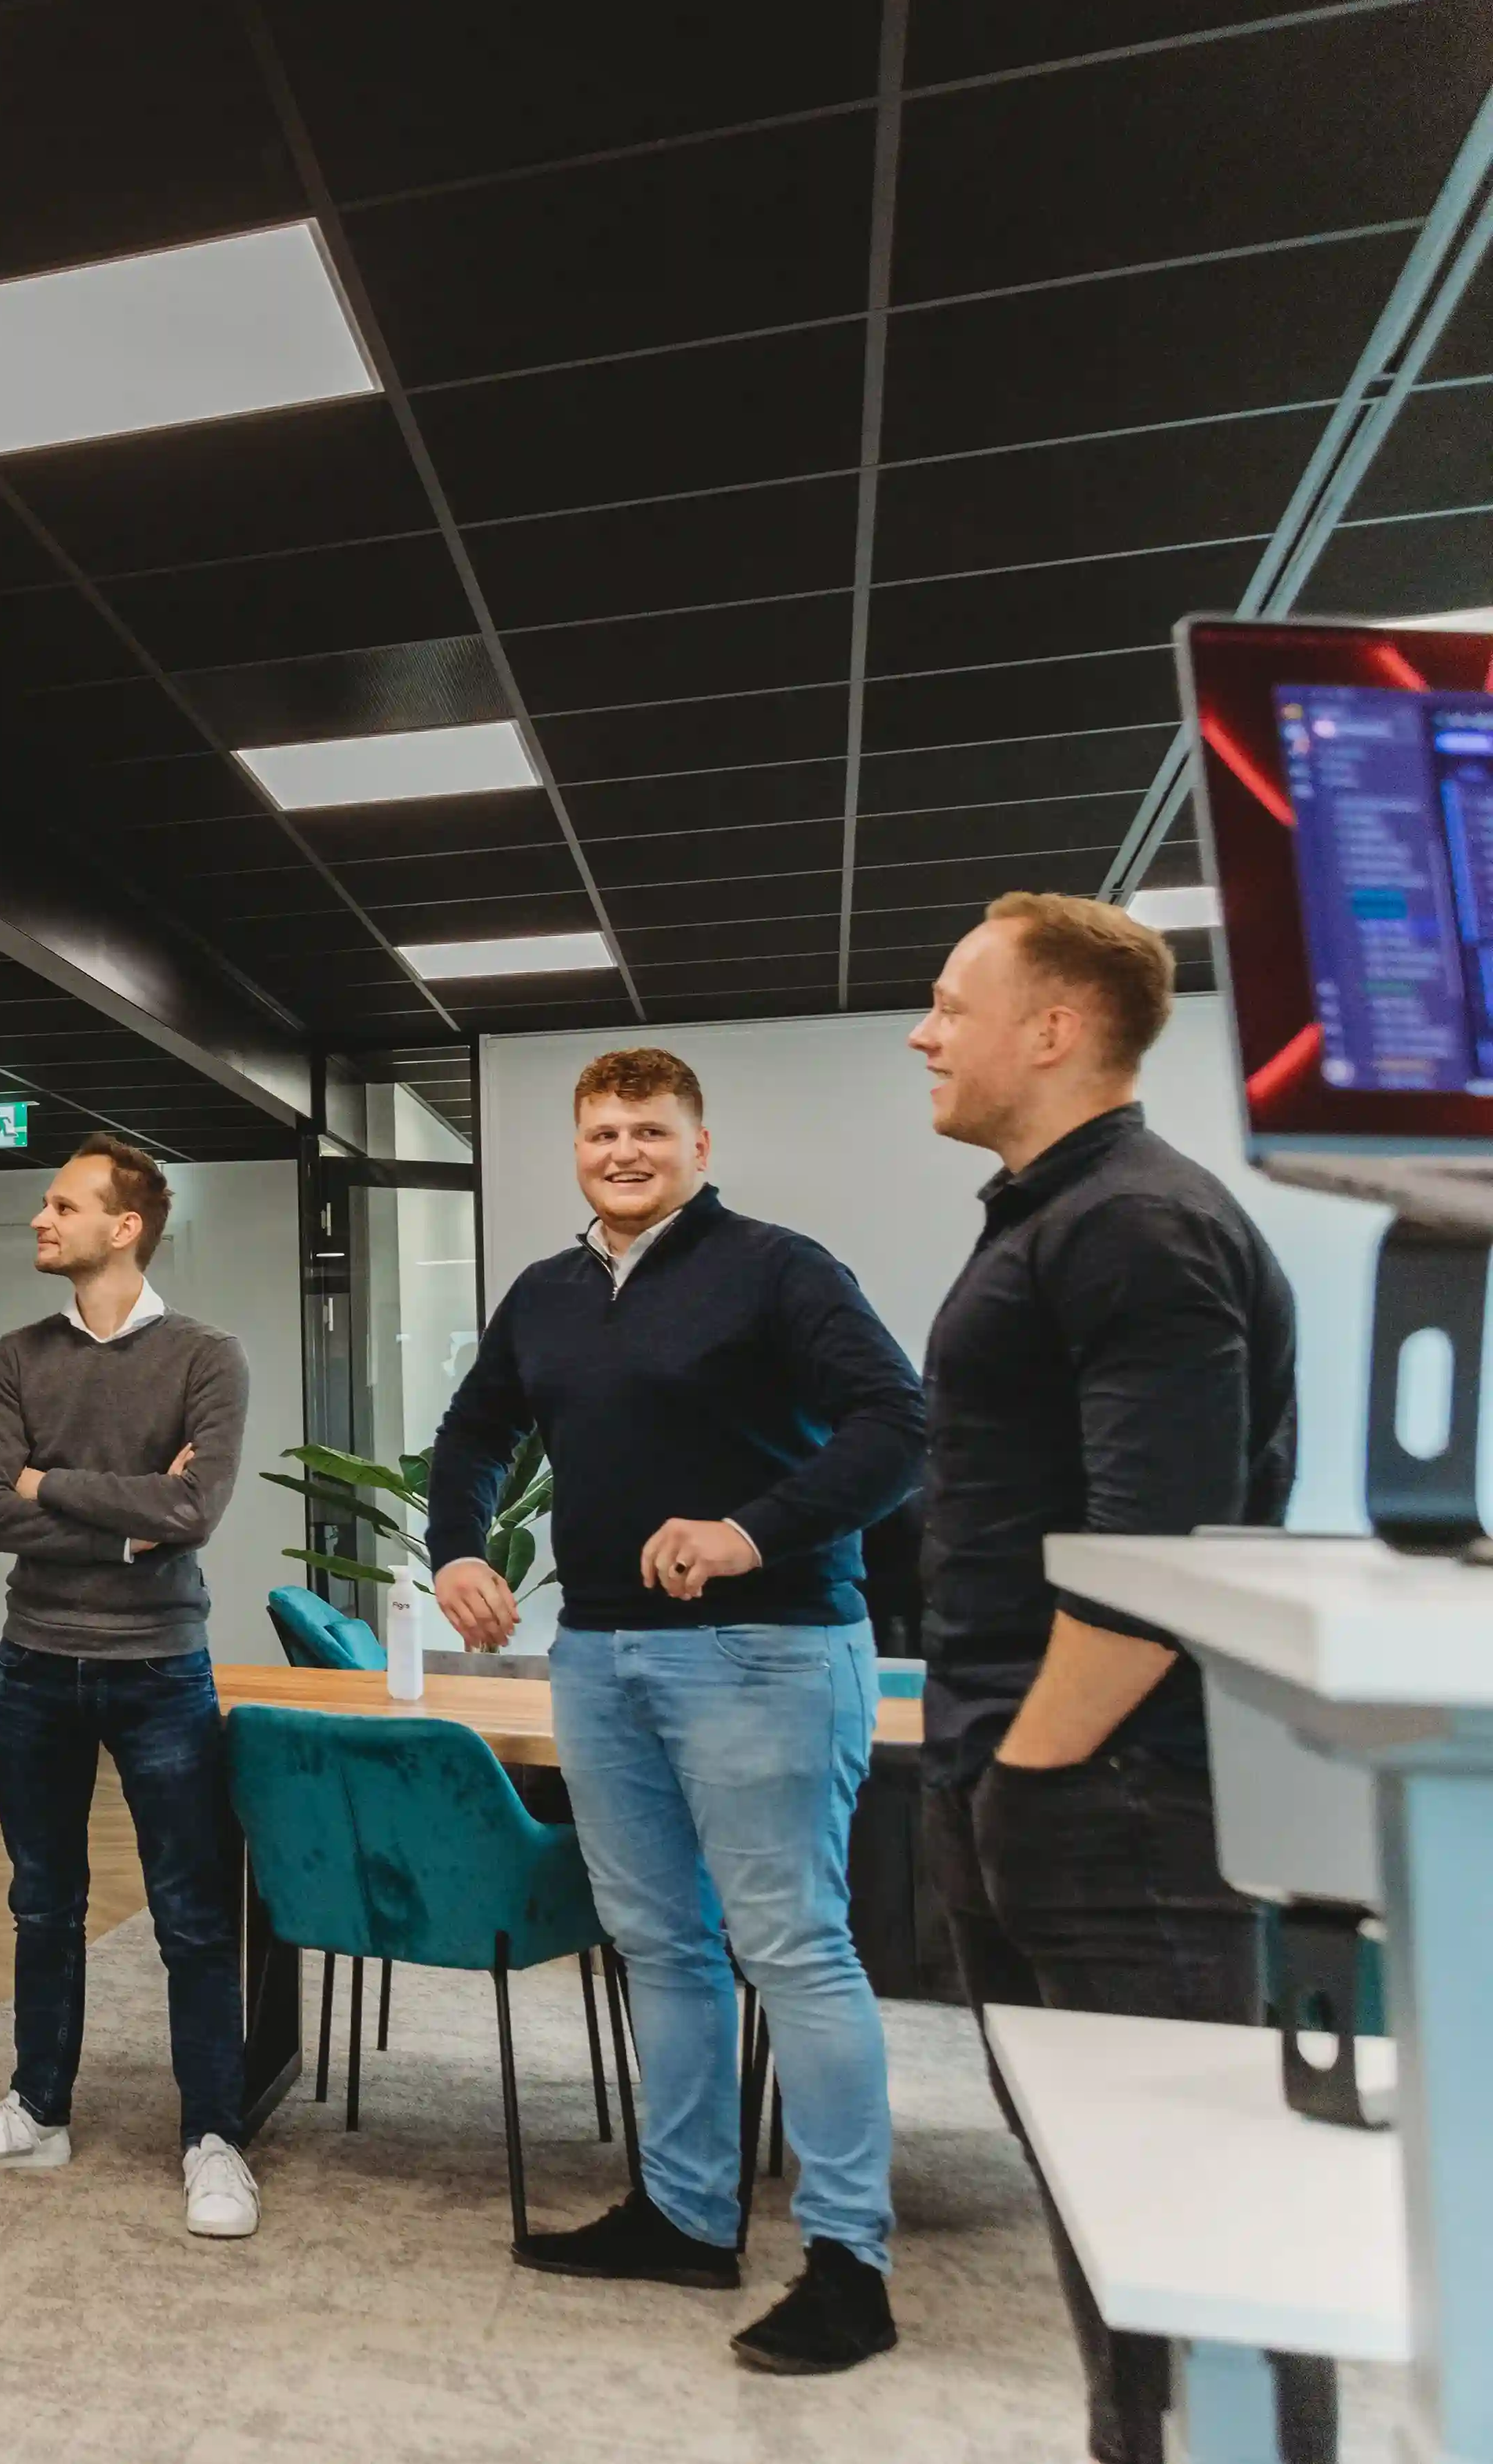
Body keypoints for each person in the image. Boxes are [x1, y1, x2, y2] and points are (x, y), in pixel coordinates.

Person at [426, 1048, 926, 2374]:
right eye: (602, 1131)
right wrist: (458, 1548)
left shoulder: (778, 1268)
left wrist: (752, 1531)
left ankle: (847, 2264)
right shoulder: (544, 1294)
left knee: (794, 1947)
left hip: (770, 1649)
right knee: (659, 1943)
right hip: (600, 1656)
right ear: (578, 1148)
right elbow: (474, 1432)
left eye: (651, 1129)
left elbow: (898, 1424)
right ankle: (687, 2213)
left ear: (700, 1146)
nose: (625, 1150)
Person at [910, 892, 1291, 2464]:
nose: (921, 1033)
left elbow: (1152, 1551)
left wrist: (1030, 1778)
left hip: (1110, 1797)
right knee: (1110, 2222)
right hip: (1042, 1772)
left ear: (1052, 1027)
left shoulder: (1132, 1221)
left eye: (948, 1003)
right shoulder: (1047, 1216)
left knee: (1193, 2244)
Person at [0, 1138, 260, 2239]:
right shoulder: (19, 1355)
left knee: (193, 1916)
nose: (39, 1217)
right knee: (41, 1901)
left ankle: (214, 2137)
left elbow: (193, 1512)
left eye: (62, 1204)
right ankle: (38, 2109)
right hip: (33, 1667)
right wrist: (125, 1523)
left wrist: (52, 1487)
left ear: (125, 1227)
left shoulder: (207, 1356)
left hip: (162, 1667)